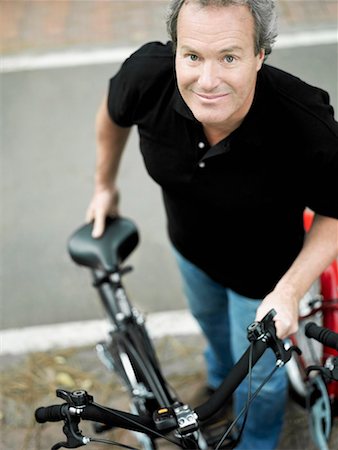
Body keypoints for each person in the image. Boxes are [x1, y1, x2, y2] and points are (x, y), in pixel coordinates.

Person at [86, 0, 338, 448]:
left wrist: (290, 291)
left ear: (260, 54)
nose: (206, 81)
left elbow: (335, 211)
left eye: (228, 57)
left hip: (264, 280)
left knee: (261, 380)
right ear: (176, 49)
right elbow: (112, 116)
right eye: (192, 56)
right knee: (213, 333)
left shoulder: (305, 120)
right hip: (191, 253)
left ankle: (256, 439)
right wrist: (104, 185)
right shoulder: (147, 75)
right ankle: (219, 387)